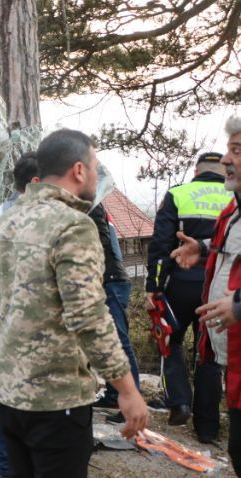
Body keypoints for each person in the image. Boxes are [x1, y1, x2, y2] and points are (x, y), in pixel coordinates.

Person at [0, 128, 148, 477]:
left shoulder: (1, 224)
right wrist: (127, 389)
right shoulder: (74, 226)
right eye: (94, 163)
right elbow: (87, 315)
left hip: (7, 398)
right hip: (56, 402)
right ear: (79, 170)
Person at [171, 115, 241, 473]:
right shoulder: (231, 210)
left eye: (238, 151)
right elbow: (230, 250)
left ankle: (198, 420)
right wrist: (203, 248)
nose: (227, 160)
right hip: (231, 354)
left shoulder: (181, 195)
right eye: (229, 150)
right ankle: (208, 427)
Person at [145, 151, 231, 440]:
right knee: (209, 352)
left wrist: (153, 286)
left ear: (196, 171)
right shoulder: (234, 197)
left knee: (171, 340)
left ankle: (179, 402)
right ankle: (207, 428)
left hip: (181, 282)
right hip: (219, 287)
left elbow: (160, 245)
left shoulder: (178, 194)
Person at [0, 152, 39, 478]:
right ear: (34, 183)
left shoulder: (1, 215)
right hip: (8, 324)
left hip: (3, 323)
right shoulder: (8, 220)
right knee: (5, 397)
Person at [90, 202, 140, 423]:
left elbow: (98, 244)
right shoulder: (94, 206)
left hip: (111, 280)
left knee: (119, 342)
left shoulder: (91, 206)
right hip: (111, 280)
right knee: (108, 341)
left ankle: (130, 401)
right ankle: (113, 395)